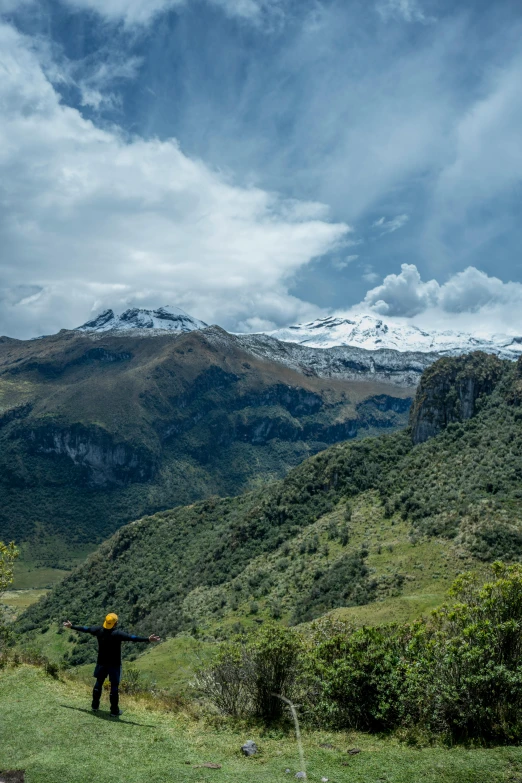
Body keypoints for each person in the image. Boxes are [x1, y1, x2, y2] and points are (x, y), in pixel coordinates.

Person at [63, 613, 160, 717]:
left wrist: (72, 626)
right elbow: (133, 638)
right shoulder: (117, 634)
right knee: (114, 686)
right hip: (114, 664)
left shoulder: (98, 630)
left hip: (101, 662)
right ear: (115, 623)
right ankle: (114, 711)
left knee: (99, 682)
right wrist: (147, 639)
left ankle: (94, 706)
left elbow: (86, 629)